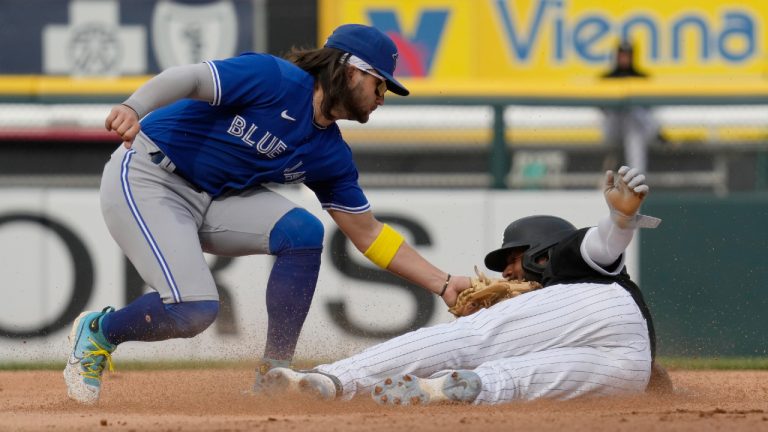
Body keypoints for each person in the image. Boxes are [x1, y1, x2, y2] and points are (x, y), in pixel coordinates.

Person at [63, 23, 472, 405]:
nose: (383, 97)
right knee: (194, 310)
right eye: (380, 83)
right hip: (150, 175)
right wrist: (134, 107)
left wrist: (444, 283)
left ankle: (273, 373)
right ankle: (99, 332)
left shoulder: (330, 153)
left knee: (303, 232)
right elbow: (188, 78)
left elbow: (368, 234)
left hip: (215, 198)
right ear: (350, 70)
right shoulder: (274, 78)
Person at [259, 165, 673, 405]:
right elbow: (655, 380)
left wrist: (618, 223)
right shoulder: (565, 302)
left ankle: (333, 379)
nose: (507, 273)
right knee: (515, 379)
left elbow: (601, 245)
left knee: (472, 337)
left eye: (513, 259)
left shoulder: (570, 259)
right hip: (629, 371)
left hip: (603, 306)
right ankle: (451, 387)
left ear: (541, 254)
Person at [601, 40, 664, 174]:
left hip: (637, 128)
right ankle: (636, 178)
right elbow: (602, 109)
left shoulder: (642, 77)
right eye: (622, 55)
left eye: (627, 55)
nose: (624, 58)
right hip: (614, 127)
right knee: (629, 120)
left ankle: (635, 178)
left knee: (633, 126)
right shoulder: (607, 78)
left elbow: (650, 108)